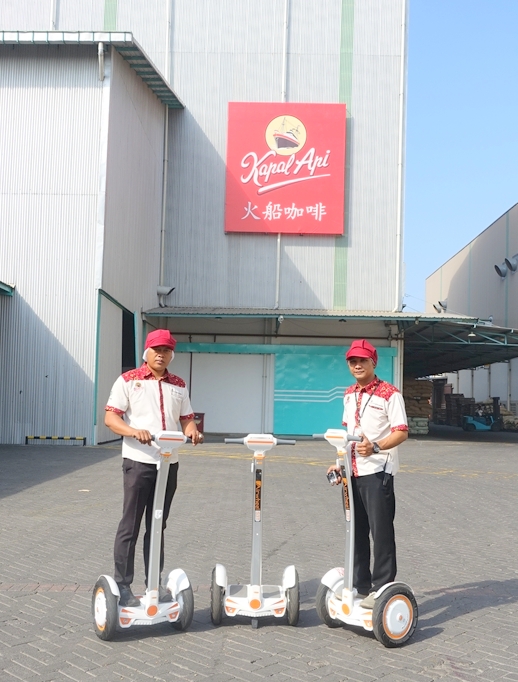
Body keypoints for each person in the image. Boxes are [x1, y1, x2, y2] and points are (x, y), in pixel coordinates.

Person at [105, 328, 202, 607]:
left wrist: (193, 431)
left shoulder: (179, 385)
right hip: (139, 462)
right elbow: (111, 418)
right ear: (146, 352)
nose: (162, 354)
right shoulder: (129, 380)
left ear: (172, 354)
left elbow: (186, 419)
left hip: (169, 462)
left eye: (167, 350)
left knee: (158, 524)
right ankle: (122, 585)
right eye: (157, 349)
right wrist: (134, 431)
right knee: (131, 525)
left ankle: (153, 584)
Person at [327, 339, 408, 610]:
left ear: (374, 362)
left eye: (362, 360)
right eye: (352, 361)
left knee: (381, 532)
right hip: (351, 474)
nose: (357, 365)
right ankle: (359, 586)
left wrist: (375, 446)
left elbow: (401, 431)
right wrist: (338, 462)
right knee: (356, 531)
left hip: (377, 473)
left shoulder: (389, 393)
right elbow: (345, 435)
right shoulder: (349, 393)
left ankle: (382, 587)